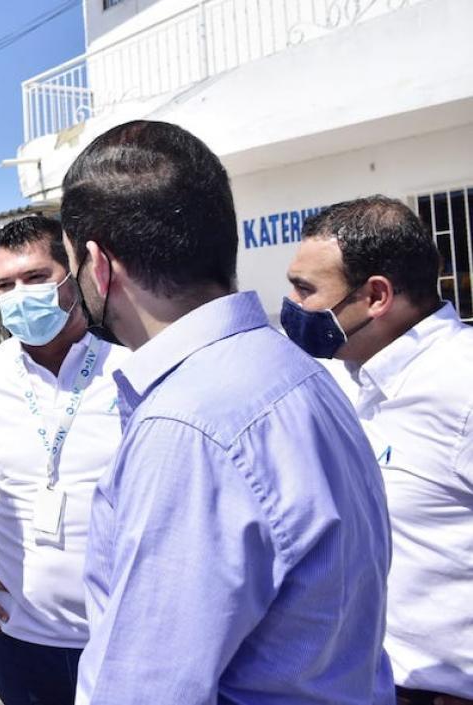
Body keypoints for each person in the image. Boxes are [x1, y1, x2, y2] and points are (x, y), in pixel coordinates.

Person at [59, 120, 394, 704]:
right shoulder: (296, 374)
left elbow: (146, 689)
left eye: (70, 267)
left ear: (99, 263)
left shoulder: (189, 428)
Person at [0, 215, 126, 705]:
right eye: (6, 284)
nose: (19, 295)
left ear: (75, 275)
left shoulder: (132, 366)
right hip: (20, 643)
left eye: (36, 278)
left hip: (123, 640)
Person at [283, 196, 473, 705]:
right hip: (363, 684)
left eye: (305, 290)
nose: (292, 307)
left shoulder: (463, 384)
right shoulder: (338, 376)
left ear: (376, 296)